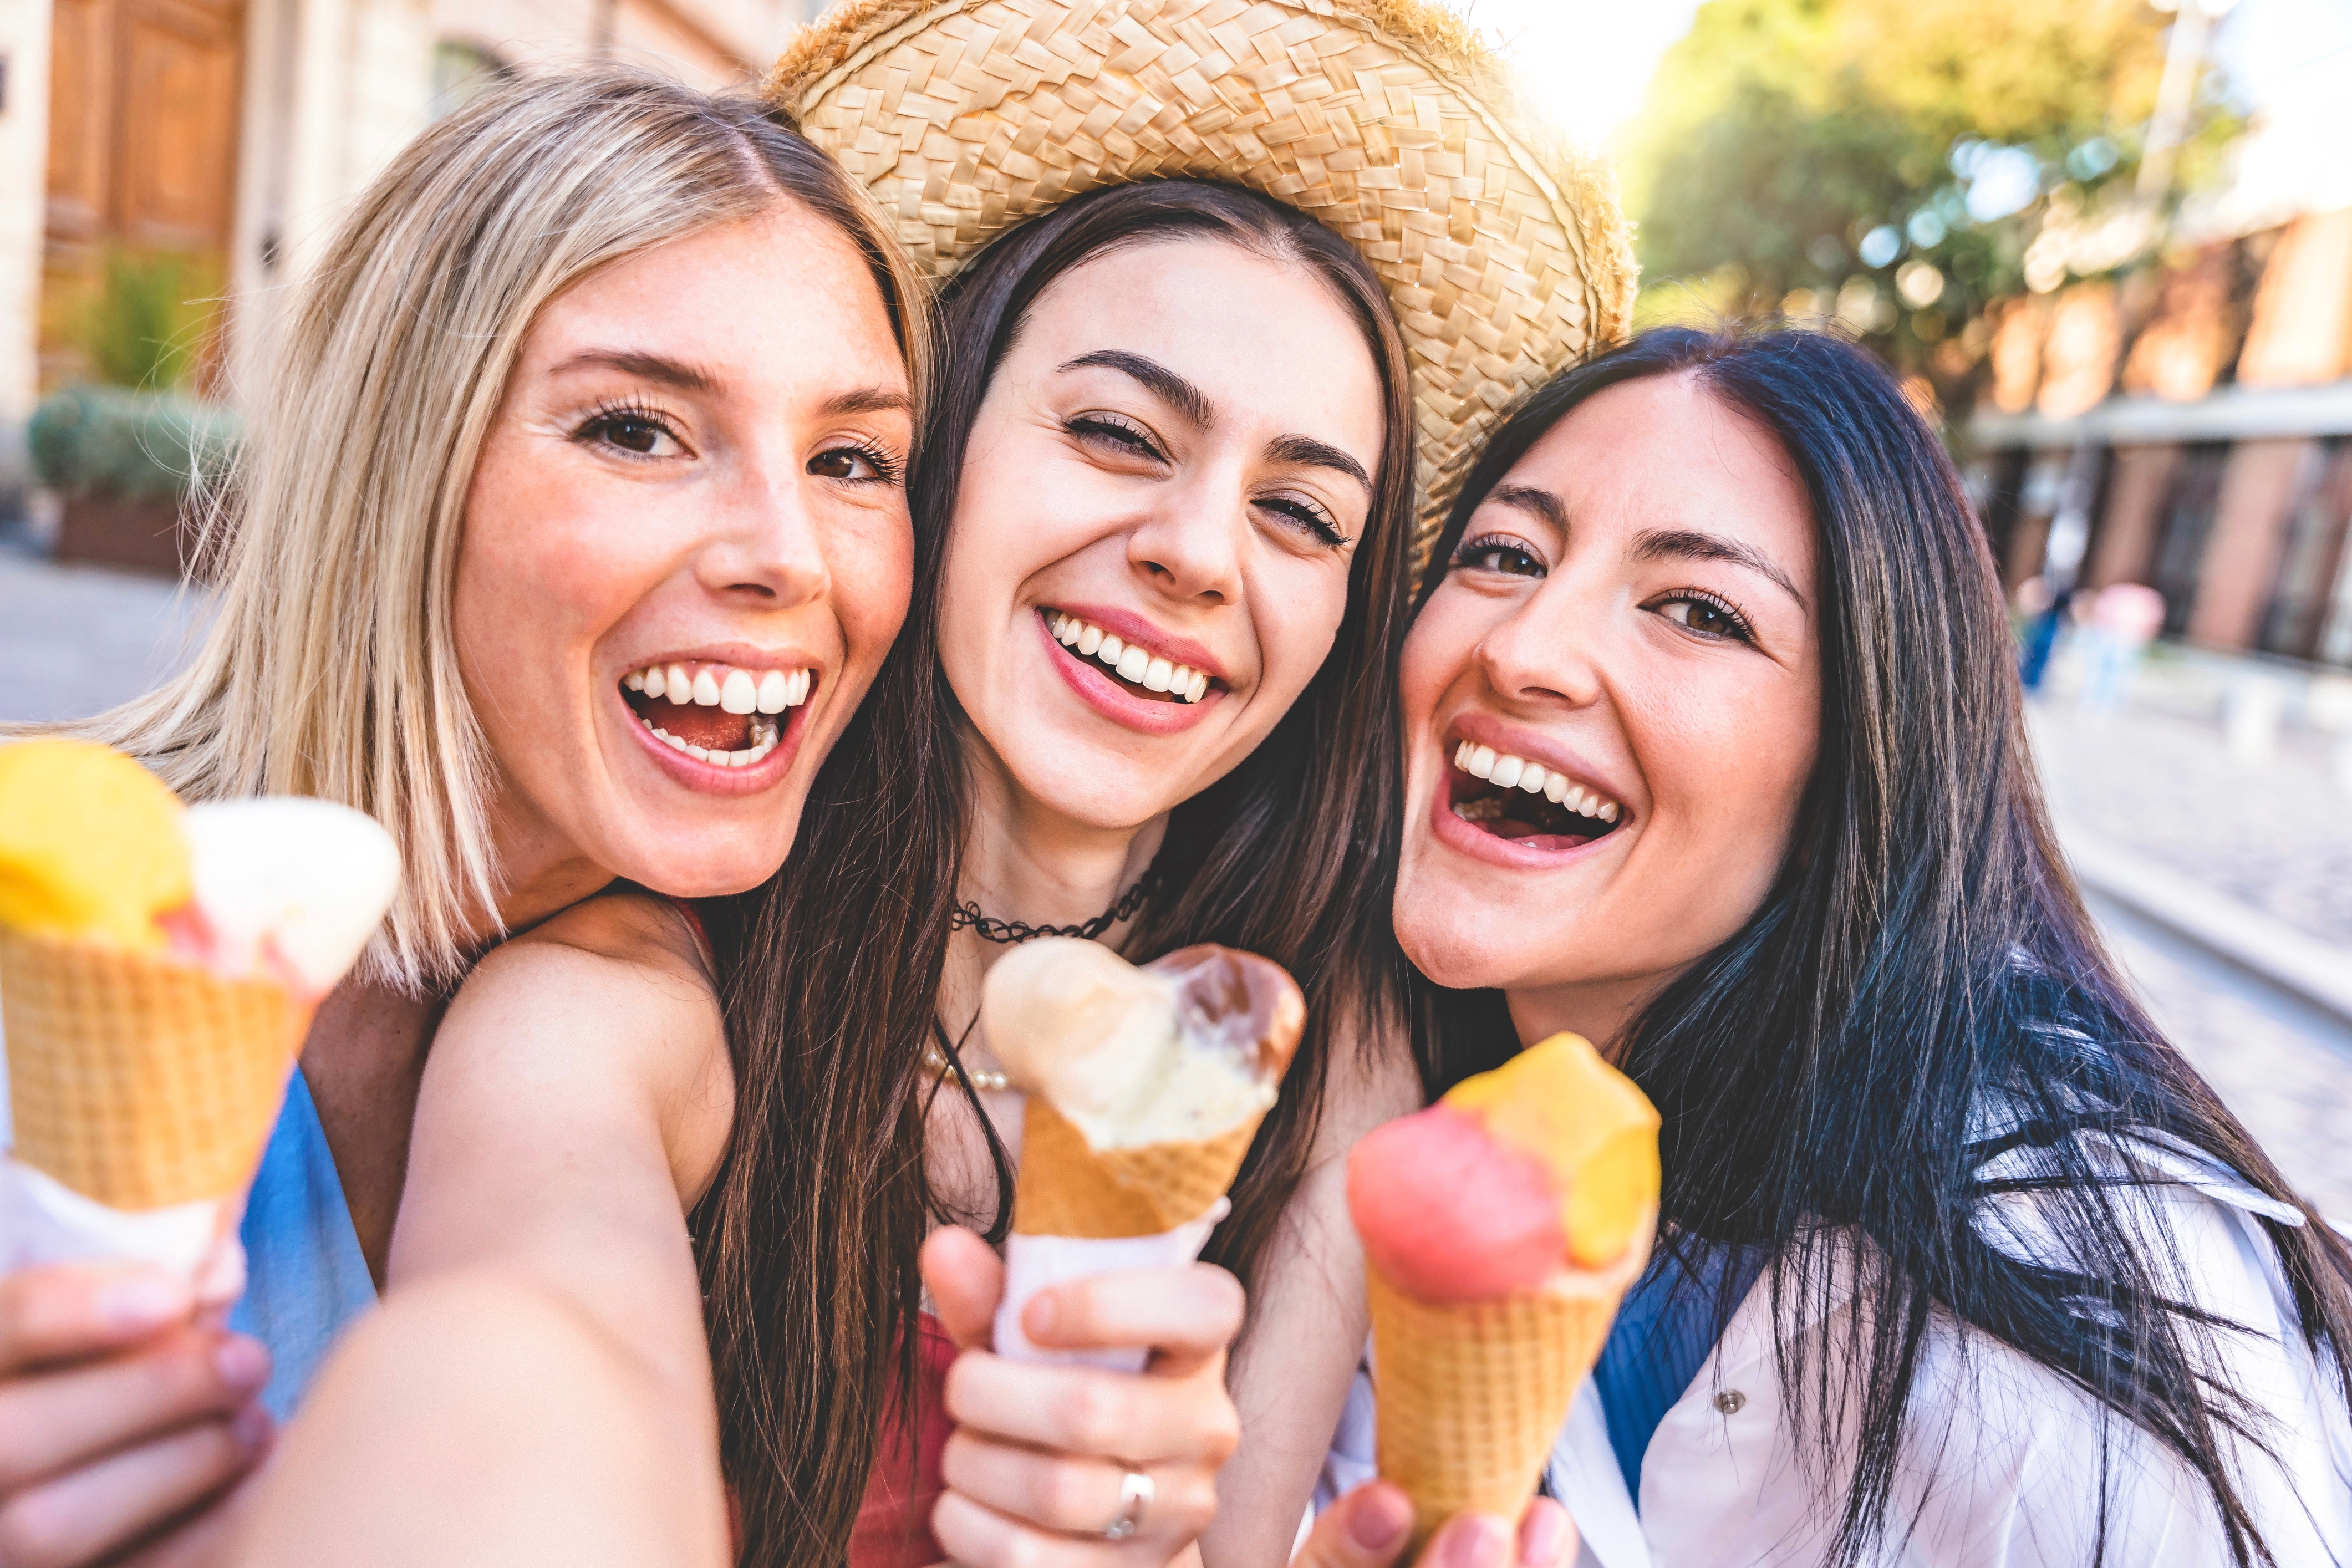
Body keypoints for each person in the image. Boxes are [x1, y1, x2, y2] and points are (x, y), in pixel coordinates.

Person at [684, 6, 1634, 1564]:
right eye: (1119, 431)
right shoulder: (678, 934)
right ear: (940, 441)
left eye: (1303, 514)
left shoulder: (1339, 1069)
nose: (1198, 552)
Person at [0, 69, 931, 1568]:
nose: (790, 553)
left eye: (851, 461)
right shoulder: (44, 923)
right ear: (404, 464)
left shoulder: (758, 1009)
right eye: (637, 429)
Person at [1319, 323, 2352, 1566]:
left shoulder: (2075, 1316)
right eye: (1503, 554)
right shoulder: (1391, 1104)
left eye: (1699, 610)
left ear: (1860, 761)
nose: (1525, 648)